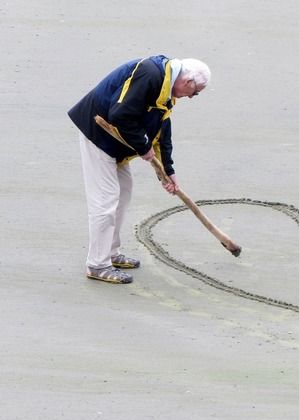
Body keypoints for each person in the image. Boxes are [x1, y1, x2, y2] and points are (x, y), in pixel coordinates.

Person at [68, 56, 210, 284]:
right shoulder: (151, 74)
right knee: (105, 201)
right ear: (188, 82)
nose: (192, 97)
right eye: (196, 92)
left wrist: (167, 171)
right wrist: (144, 148)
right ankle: (97, 264)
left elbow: (162, 128)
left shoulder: (167, 88)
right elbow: (119, 114)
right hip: (98, 135)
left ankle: (111, 253)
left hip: (118, 144)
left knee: (123, 193)